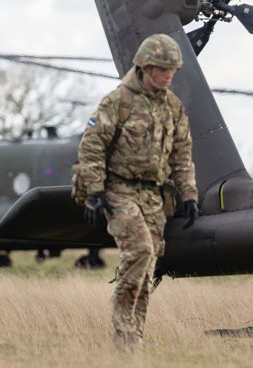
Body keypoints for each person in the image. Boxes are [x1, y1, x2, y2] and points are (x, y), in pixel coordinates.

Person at [74, 33, 201, 350]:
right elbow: (91, 146)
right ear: (145, 67)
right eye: (162, 68)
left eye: (172, 69)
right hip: (119, 191)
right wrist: (94, 190)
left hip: (154, 197)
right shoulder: (118, 101)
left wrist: (189, 195)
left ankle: (134, 339)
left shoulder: (173, 107)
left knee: (148, 268)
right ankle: (122, 333)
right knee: (140, 251)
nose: (168, 75)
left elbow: (182, 155)